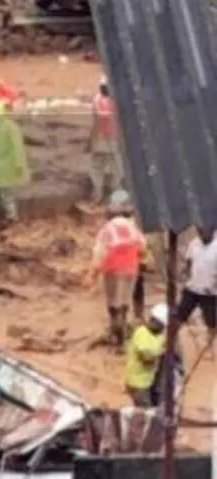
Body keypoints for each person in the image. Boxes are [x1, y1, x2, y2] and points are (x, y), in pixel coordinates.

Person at [90, 191, 146, 346]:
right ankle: (121, 336)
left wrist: (92, 274)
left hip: (112, 269)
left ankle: (117, 336)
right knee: (124, 303)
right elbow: (142, 247)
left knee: (113, 304)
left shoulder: (107, 229)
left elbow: (99, 253)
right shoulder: (132, 227)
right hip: (131, 269)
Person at [125, 305, 168, 406]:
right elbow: (146, 357)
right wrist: (162, 351)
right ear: (155, 321)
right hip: (138, 384)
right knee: (145, 412)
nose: (163, 329)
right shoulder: (141, 333)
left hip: (150, 381)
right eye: (162, 326)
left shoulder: (159, 334)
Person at [178, 227, 217, 340]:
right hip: (192, 288)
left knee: (211, 323)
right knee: (179, 317)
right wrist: (184, 275)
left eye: (204, 229)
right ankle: (169, 345)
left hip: (210, 292)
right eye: (199, 229)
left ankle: (211, 348)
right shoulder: (194, 243)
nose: (201, 232)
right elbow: (189, 262)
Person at [88, 75, 122, 202]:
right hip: (114, 139)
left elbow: (96, 123)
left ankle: (97, 194)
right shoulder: (117, 101)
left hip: (101, 139)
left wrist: (91, 141)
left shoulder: (97, 100)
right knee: (116, 169)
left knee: (97, 168)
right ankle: (115, 197)